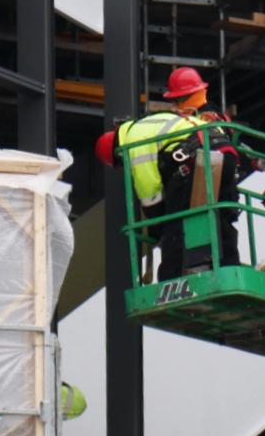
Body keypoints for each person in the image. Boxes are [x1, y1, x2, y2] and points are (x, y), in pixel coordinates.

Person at [94, 67, 242, 279]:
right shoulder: (158, 121)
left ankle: (170, 282)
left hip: (198, 160)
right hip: (225, 154)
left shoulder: (133, 141)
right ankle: (230, 274)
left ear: (117, 151)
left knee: (176, 223)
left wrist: (157, 227)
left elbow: (150, 192)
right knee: (220, 216)